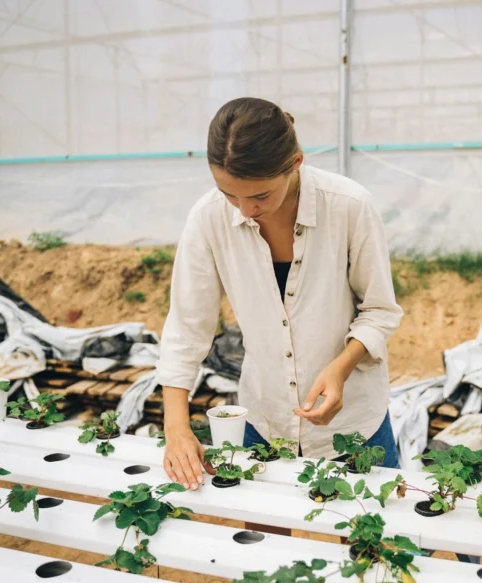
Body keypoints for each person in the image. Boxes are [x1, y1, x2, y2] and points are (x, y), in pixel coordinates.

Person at [156, 97, 403, 490]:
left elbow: (379, 310)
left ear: (296, 163)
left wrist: (340, 368)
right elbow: (187, 328)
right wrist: (176, 428)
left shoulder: (349, 206)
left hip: (355, 421)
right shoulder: (208, 218)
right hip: (264, 418)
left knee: (372, 542)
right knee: (260, 542)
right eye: (229, 194)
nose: (244, 209)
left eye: (260, 196)